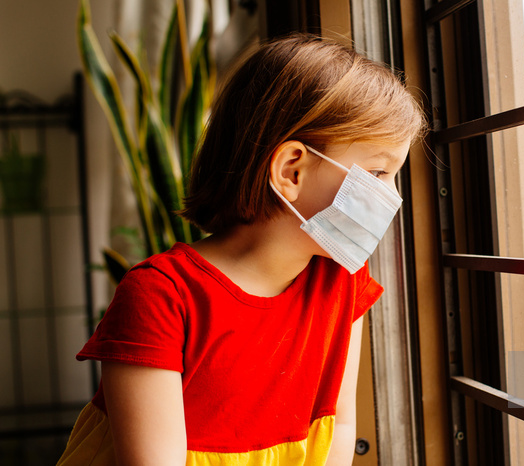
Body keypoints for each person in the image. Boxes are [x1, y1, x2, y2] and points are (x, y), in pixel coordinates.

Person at [58, 33, 425, 465]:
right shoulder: (158, 297)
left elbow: (339, 427)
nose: (393, 197)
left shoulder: (344, 282)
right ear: (292, 170)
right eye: (379, 172)